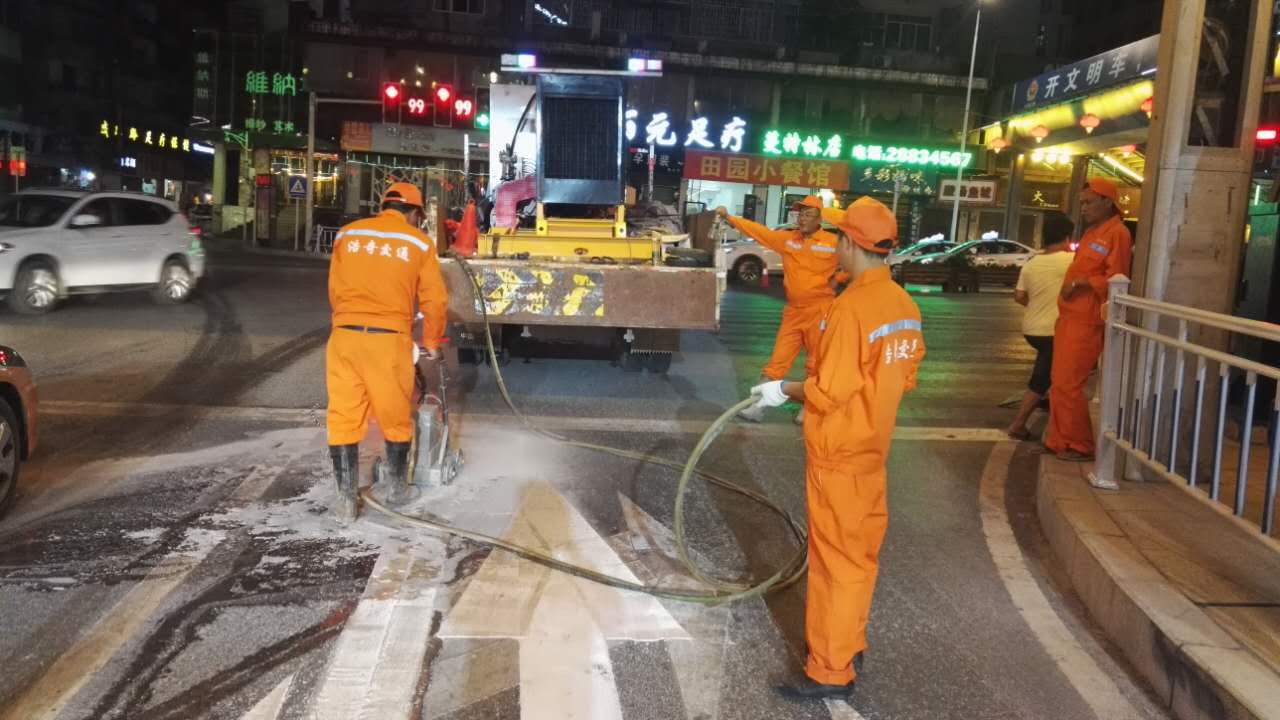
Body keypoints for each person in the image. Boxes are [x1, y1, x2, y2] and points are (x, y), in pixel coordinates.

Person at [748, 196, 924, 701]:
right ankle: (851, 644)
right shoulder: (903, 306)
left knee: (834, 566)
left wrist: (785, 390)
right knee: (861, 558)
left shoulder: (850, 310)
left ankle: (828, 670)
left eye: (838, 239)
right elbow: (905, 376)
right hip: (871, 452)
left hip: (838, 456)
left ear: (849, 242)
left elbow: (829, 391)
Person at [326, 182, 449, 522]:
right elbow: (435, 301)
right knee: (395, 419)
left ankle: (346, 500)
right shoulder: (419, 242)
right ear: (414, 213)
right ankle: (397, 490)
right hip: (388, 340)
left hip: (344, 339)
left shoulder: (347, 235)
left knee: (343, 418)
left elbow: (335, 289)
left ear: (385, 206)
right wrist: (432, 343)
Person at [716, 196, 841, 423]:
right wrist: (730, 218)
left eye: (807, 215)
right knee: (777, 361)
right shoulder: (788, 240)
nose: (802, 219)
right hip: (793, 312)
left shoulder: (833, 243)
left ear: (820, 219)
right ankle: (757, 406)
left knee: (816, 363)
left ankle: (810, 409)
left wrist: (838, 279)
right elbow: (759, 231)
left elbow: (855, 263)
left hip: (820, 311)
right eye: (800, 214)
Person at [1045, 178, 1133, 461]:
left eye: (1088, 202)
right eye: (1082, 202)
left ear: (1108, 202)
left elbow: (1117, 279)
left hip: (1087, 319)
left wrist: (1084, 282)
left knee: (1069, 383)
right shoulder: (1094, 232)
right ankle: (1059, 440)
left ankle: (1079, 445)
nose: (1083, 208)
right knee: (1059, 381)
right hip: (1071, 316)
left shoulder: (1117, 233)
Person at [1006, 212, 1075, 440]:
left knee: (1051, 373)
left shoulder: (1033, 262)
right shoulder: (1071, 261)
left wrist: (1037, 305)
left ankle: (1048, 405)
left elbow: (1019, 296)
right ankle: (1019, 423)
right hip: (1053, 330)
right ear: (1067, 237)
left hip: (1032, 329)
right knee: (1042, 378)